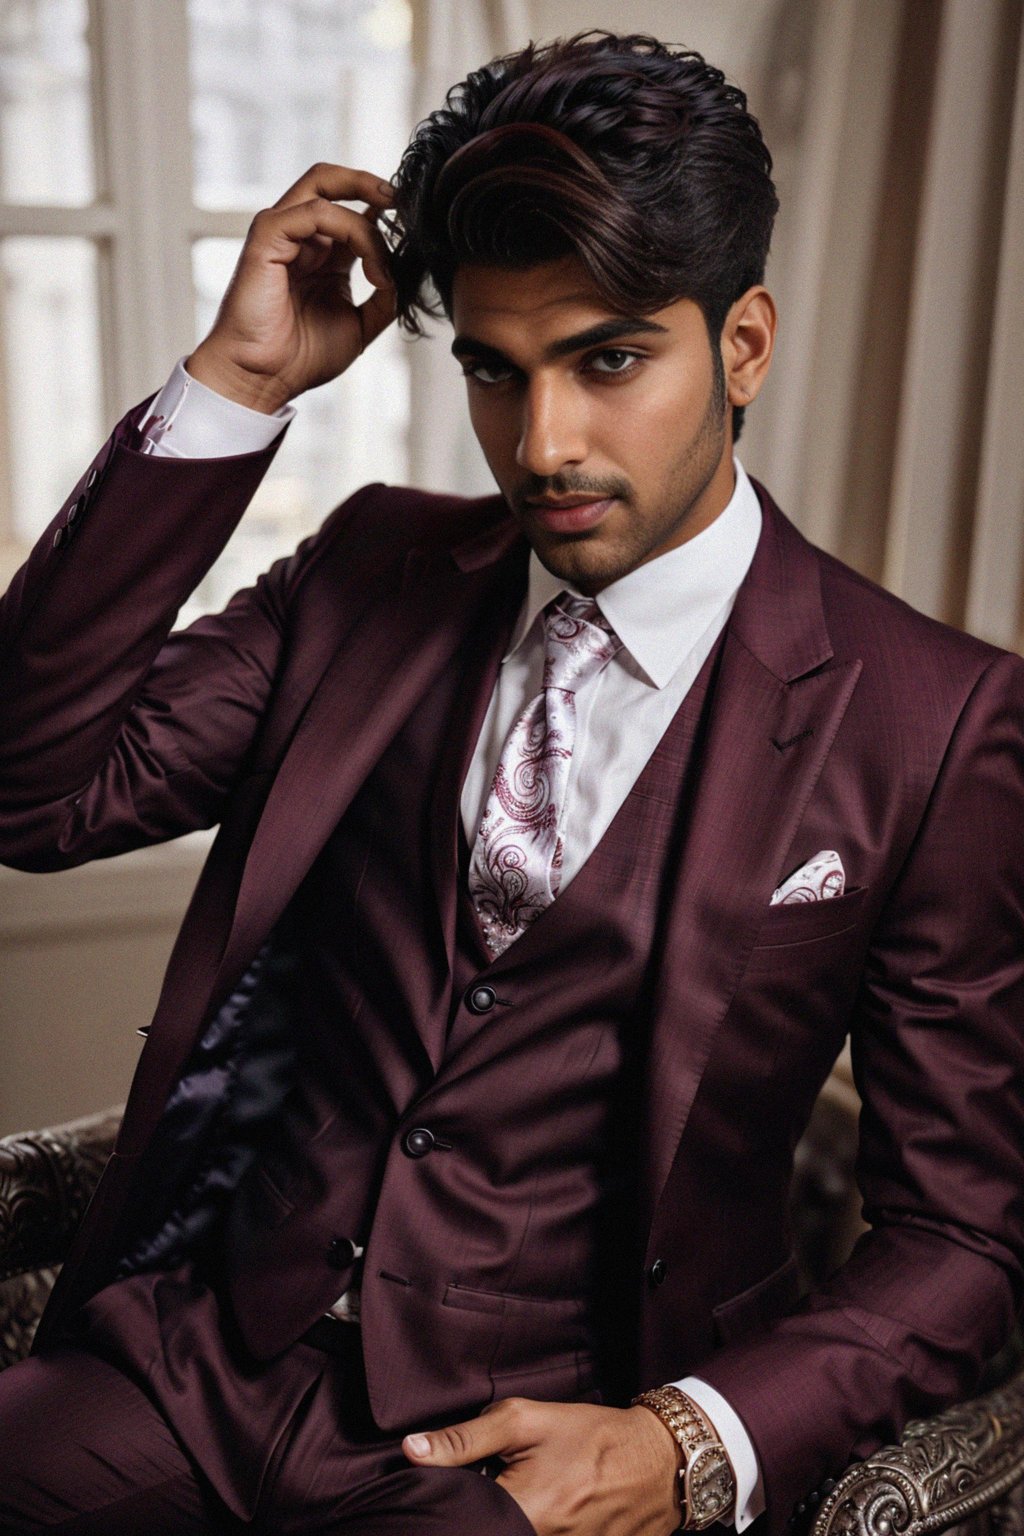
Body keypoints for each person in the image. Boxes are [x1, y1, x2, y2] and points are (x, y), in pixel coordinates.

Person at [1, 28, 1022, 1536]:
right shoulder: (372, 569)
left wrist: (688, 1441)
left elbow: (967, 1233)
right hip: (194, 1369)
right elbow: (37, 789)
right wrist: (236, 385)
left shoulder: (934, 719)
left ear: (742, 344)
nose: (542, 444)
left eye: (610, 361)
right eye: (496, 368)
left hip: (532, 1452)